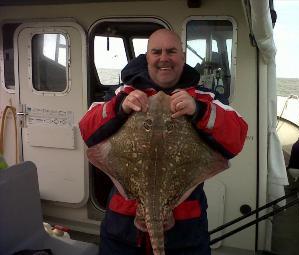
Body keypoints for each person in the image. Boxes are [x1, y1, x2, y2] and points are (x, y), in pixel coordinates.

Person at [79, 29, 248, 255]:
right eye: (156, 52)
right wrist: (119, 107)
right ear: (147, 57)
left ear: (183, 56)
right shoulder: (125, 92)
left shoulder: (203, 97)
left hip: (185, 229)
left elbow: (237, 137)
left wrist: (198, 111)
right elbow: (86, 128)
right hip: (123, 227)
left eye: (171, 51)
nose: (163, 58)